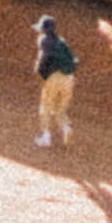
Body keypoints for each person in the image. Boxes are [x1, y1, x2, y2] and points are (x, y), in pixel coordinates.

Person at [32, 14, 77, 147]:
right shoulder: (62, 42)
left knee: (46, 106)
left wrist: (40, 71)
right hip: (69, 78)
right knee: (60, 109)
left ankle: (46, 137)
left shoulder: (44, 40)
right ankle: (66, 128)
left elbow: (43, 59)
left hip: (54, 77)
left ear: (44, 29)